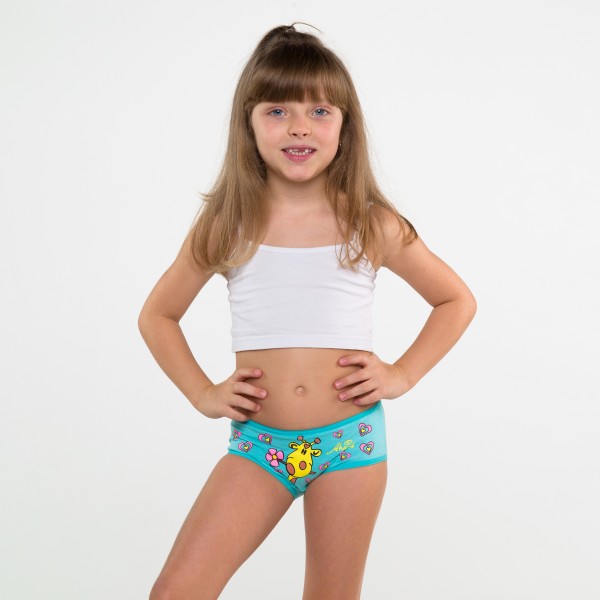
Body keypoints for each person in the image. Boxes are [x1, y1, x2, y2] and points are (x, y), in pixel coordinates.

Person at [138, 22, 477, 600]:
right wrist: (202, 393)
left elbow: (455, 300)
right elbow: (158, 315)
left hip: (350, 444)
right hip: (260, 445)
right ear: (248, 124)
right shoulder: (227, 225)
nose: (299, 126)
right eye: (278, 110)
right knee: (177, 592)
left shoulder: (370, 224)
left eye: (319, 111)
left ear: (345, 127)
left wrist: (401, 373)